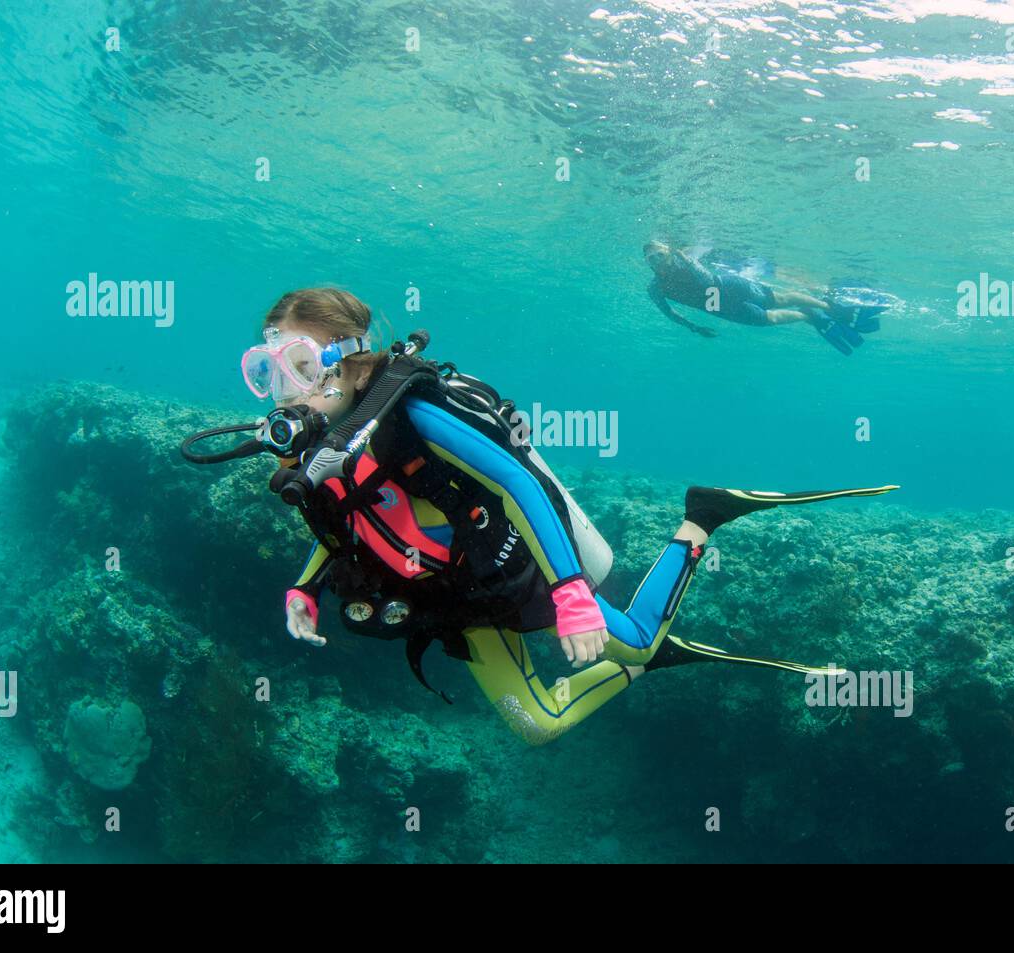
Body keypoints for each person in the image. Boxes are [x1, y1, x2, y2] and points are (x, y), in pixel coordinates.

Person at [194, 287, 898, 745]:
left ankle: (702, 519)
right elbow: (342, 522)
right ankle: (645, 663)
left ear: (350, 360)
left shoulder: (414, 413)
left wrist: (569, 593)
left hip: (513, 571)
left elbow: (519, 481)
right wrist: (301, 588)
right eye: (268, 370)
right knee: (538, 726)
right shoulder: (314, 441)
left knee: (639, 636)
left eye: (299, 365)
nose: (285, 391)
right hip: (450, 601)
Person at [643, 240, 888, 355]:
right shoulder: (655, 288)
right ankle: (810, 316)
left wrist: (684, 258)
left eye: (660, 255)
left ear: (669, 253)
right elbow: (669, 313)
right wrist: (694, 328)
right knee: (767, 319)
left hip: (729, 288)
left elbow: (707, 281)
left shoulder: (687, 262)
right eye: (651, 259)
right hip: (719, 307)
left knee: (779, 299)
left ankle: (832, 309)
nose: (657, 261)